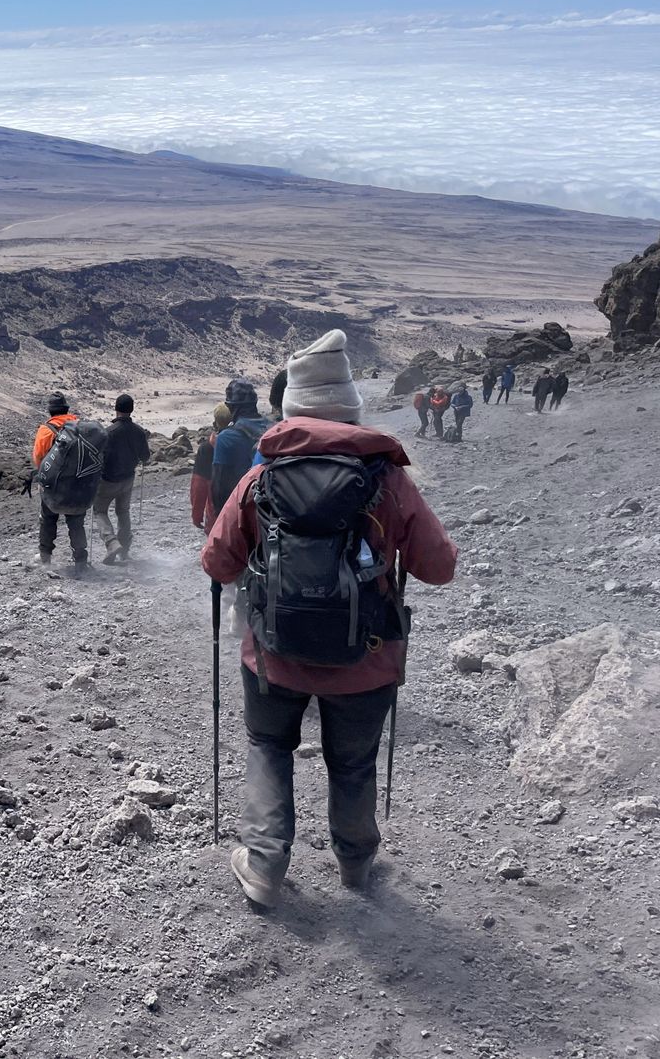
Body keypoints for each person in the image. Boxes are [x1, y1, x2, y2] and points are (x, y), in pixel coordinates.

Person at [202, 329, 458, 908]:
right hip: (366, 659)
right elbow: (438, 568)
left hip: (272, 654)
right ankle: (356, 866)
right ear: (350, 407)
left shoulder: (261, 478)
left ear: (293, 408)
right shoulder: (387, 480)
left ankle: (264, 866)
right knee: (354, 760)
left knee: (269, 745)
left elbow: (217, 563)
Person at [32, 392, 88, 569]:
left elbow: (39, 458)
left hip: (53, 486)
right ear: (66, 409)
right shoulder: (81, 427)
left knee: (48, 520)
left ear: (50, 411)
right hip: (78, 485)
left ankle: (45, 559)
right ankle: (80, 559)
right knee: (76, 522)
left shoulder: (45, 430)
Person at [94, 393, 151, 563]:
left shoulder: (108, 432)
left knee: (99, 510)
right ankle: (124, 549)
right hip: (128, 479)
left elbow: (99, 457)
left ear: (116, 409)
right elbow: (145, 457)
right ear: (131, 410)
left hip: (108, 480)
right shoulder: (139, 432)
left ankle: (112, 543)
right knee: (123, 512)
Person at [210, 379, 272, 520]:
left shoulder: (226, 438)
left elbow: (219, 486)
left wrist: (219, 519)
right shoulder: (275, 427)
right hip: (273, 511)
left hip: (243, 511)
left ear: (230, 407)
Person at [189, 403, 232, 531]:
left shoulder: (206, 448)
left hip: (214, 511)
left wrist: (196, 516)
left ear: (215, 422)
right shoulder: (242, 441)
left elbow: (199, 486)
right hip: (237, 509)